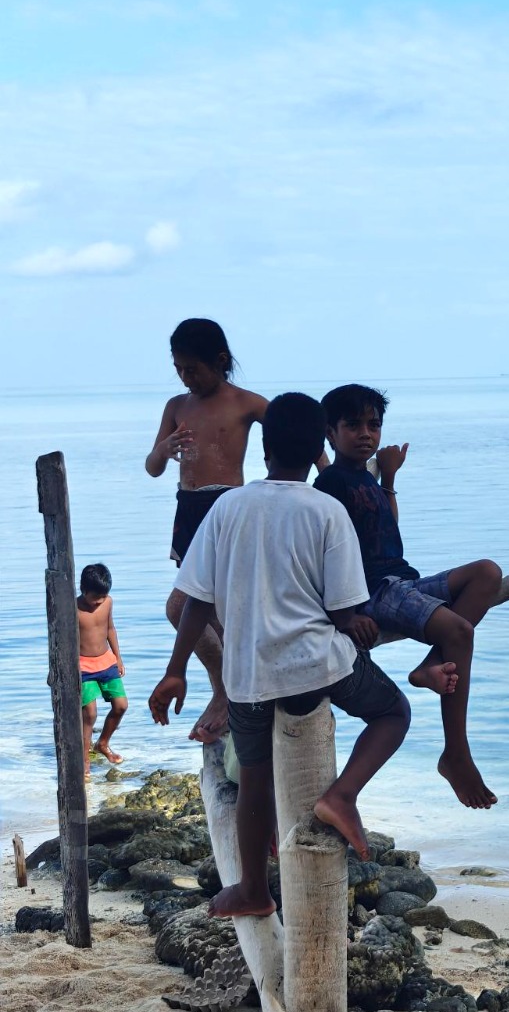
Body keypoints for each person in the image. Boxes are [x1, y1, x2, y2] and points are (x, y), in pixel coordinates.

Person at [148, 392, 411, 916]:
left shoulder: (228, 506)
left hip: (248, 677)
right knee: (391, 713)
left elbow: (195, 598)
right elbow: (344, 608)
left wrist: (175, 671)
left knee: (255, 775)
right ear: (320, 445)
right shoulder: (327, 510)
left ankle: (253, 890)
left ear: (262, 448)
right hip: (318, 666)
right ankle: (341, 796)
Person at [315, 383, 509, 812]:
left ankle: (429, 664)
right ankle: (455, 753)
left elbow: (388, 528)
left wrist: (389, 477)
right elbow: (325, 552)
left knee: (487, 575)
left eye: (374, 425)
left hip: (401, 579)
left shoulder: (364, 477)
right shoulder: (329, 482)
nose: (366, 433)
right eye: (353, 426)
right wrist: (345, 614)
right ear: (330, 432)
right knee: (459, 631)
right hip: (374, 591)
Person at [144, 318, 268, 746]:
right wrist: (164, 449)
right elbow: (153, 467)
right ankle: (228, 693)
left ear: (220, 361)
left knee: (184, 607)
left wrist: (325, 475)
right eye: (178, 368)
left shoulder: (246, 403)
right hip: (189, 507)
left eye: (192, 368)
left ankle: (225, 694)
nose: (185, 376)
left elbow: (295, 435)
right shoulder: (177, 406)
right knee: (208, 612)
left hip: (228, 506)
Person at [76, 562, 127, 770]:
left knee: (121, 705)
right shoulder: (73, 608)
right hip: (83, 666)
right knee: (89, 713)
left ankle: (102, 743)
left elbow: (110, 629)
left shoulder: (107, 603)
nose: (99, 602)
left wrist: (118, 657)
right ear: (84, 590)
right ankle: (84, 760)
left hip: (106, 661)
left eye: (102, 597)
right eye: (95, 597)